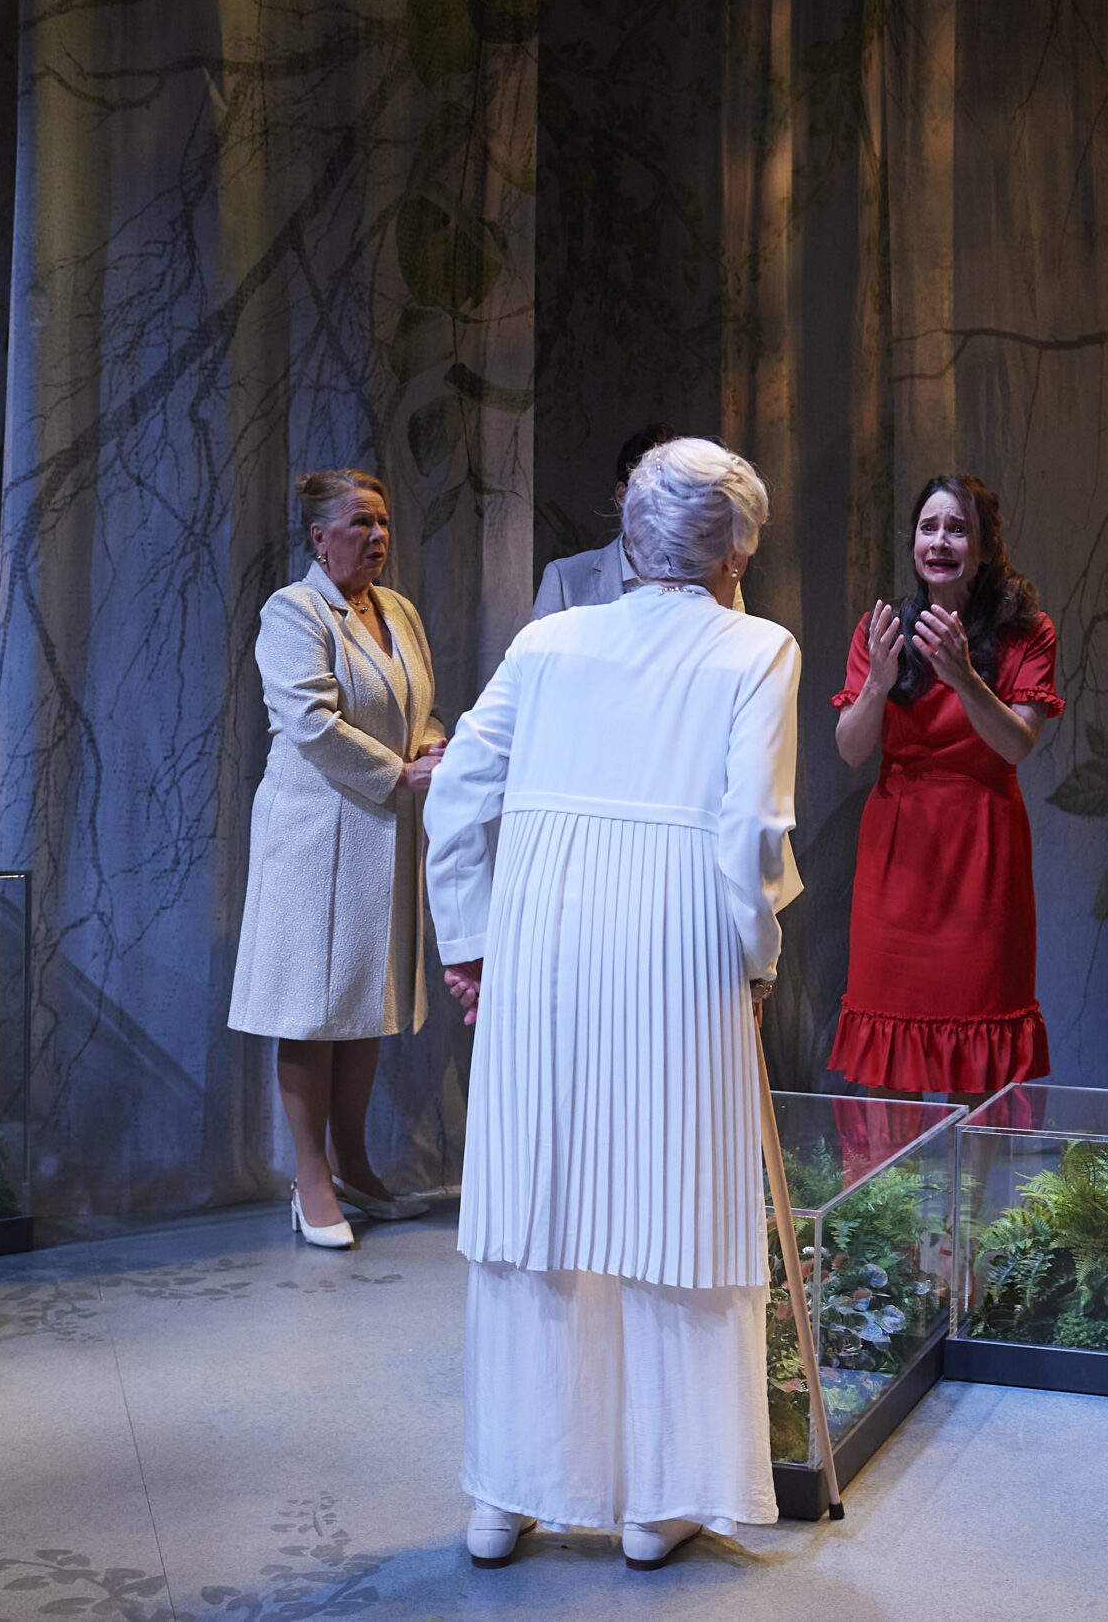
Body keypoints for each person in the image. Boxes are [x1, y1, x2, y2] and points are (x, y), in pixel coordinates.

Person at [425, 437, 800, 1573]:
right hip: (674, 946)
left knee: (537, 1205)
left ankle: (508, 1495)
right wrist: (757, 955)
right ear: (734, 546)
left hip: (543, 944)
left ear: (635, 537)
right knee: (672, 1206)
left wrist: (475, 942)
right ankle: (658, 1502)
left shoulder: (549, 641)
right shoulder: (758, 647)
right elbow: (751, 835)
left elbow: (453, 793)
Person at [226, 468, 447, 1247]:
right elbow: (313, 723)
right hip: (316, 835)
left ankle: (355, 1163)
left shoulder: (401, 613)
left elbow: (418, 704)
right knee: (311, 1008)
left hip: (382, 835)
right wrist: (401, 773)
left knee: (363, 1005)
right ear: (320, 537)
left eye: (384, 522)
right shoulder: (294, 611)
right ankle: (310, 1176)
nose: (378, 537)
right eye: (361, 523)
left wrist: (433, 744)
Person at [828, 475, 1062, 1104]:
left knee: (978, 1052)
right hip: (898, 856)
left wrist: (963, 677)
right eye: (928, 528)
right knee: (889, 1048)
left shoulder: (1026, 632)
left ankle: (972, 1203)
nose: (940, 541)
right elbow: (851, 750)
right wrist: (877, 682)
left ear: (984, 546)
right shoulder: (880, 630)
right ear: (912, 543)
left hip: (981, 850)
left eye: (957, 529)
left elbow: (1015, 744)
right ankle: (893, 1202)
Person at [530, 421, 746, 618]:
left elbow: (732, 648)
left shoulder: (717, 574)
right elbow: (539, 658)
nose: (669, 503)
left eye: (681, 491)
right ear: (622, 494)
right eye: (653, 491)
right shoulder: (565, 579)